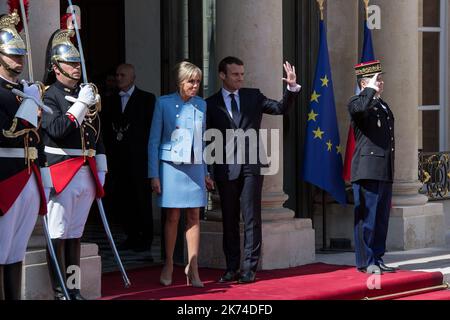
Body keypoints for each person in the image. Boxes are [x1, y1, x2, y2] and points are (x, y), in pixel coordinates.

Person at [206, 56, 301, 284]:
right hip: (224, 167)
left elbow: (279, 108)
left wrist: (291, 87)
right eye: (235, 74)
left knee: (251, 218)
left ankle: (249, 268)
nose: (240, 78)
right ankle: (231, 268)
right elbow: (206, 139)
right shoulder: (209, 103)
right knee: (228, 219)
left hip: (250, 165)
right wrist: (207, 171)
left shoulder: (253, 96)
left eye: (241, 73)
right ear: (222, 75)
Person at [41, 28, 105, 300]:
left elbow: (96, 134)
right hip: (62, 171)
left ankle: (74, 287)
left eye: (78, 63)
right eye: (70, 63)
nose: (76, 68)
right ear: (56, 68)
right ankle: (59, 291)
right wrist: (80, 105)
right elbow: (56, 129)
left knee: (75, 235)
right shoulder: (49, 95)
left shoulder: (85, 94)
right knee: (58, 234)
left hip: (85, 172)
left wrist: (101, 168)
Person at [0, 11, 52, 300]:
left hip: (29, 175)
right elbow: (7, 132)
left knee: (16, 250)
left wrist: (43, 173)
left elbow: (37, 139)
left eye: (21, 55)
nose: (18, 61)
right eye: (12, 55)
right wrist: (31, 105)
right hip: (5, 176)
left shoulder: (24, 90)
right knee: (1, 248)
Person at [148, 61, 207, 288]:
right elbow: (153, 140)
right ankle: (170, 263)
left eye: (198, 81)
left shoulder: (201, 105)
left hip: (194, 167)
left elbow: (202, 141)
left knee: (194, 216)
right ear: (180, 82)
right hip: (170, 167)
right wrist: (154, 174)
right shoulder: (163, 103)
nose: (195, 86)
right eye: (191, 81)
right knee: (172, 216)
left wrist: (206, 171)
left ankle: (193, 266)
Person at [347, 60, 396, 274]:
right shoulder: (357, 101)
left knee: (381, 218)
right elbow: (359, 111)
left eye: (381, 78)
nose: (381, 82)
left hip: (383, 168)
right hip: (367, 168)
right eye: (377, 79)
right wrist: (368, 90)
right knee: (367, 219)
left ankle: (377, 256)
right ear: (365, 82)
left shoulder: (382, 104)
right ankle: (366, 261)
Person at [102, 63, 155, 253]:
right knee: (124, 199)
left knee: (141, 199)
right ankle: (131, 235)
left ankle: (146, 238)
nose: (119, 78)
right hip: (118, 159)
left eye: (123, 75)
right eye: (117, 75)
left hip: (140, 159)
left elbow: (151, 130)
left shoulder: (147, 99)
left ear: (133, 77)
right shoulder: (109, 101)